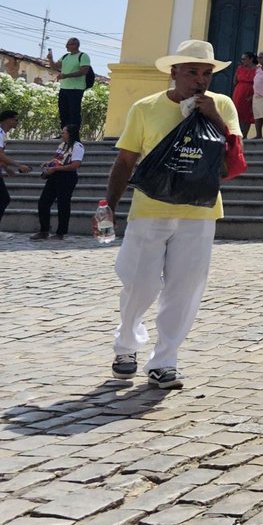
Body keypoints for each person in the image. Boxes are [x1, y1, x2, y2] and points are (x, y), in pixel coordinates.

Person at [107, 39, 242, 389]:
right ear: (174, 73)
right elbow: (125, 160)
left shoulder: (223, 106)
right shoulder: (145, 108)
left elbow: (233, 160)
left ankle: (165, 359)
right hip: (150, 208)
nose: (200, 79)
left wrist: (212, 117)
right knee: (139, 282)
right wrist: (109, 204)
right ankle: (126, 343)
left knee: (185, 289)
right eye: (192, 72)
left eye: (206, 73)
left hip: (199, 211)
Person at [32, 125, 84, 241]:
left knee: (63, 205)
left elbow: (75, 165)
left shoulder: (77, 146)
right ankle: (44, 230)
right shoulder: (62, 145)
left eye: (64, 132)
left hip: (67, 177)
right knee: (43, 202)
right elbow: (58, 159)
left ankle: (61, 232)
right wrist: (49, 164)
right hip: (55, 175)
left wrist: (55, 169)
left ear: (70, 134)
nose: (62, 134)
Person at [0, 110, 30, 239]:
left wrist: (6, 168)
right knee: (4, 199)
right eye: (16, 119)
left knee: (4, 199)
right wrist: (18, 165)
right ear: (8, 120)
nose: (17, 122)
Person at [57, 38, 95, 132]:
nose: (66, 46)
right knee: (63, 112)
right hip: (64, 88)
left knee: (74, 112)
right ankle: (64, 132)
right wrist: (50, 59)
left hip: (76, 89)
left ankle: (73, 134)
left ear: (76, 45)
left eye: (69, 44)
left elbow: (84, 71)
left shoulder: (83, 56)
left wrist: (66, 76)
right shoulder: (65, 56)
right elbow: (55, 66)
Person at [232, 52, 257, 132]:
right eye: (242, 59)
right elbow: (235, 80)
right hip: (239, 92)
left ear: (251, 59)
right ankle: (236, 132)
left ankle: (244, 134)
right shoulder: (240, 68)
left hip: (250, 93)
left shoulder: (257, 70)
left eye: (244, 59)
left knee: (247, 114)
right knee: (237, 111)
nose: (242, 61)